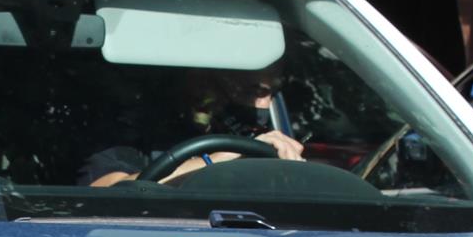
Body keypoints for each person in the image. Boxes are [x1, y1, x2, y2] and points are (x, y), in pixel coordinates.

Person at [81, 68, 305, 187]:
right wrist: (219, 161)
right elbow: (104, 193)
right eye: (253, 92)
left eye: (272, 93)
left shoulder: (270, 137)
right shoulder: (132, 130)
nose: (265, 105)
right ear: (200, 81)